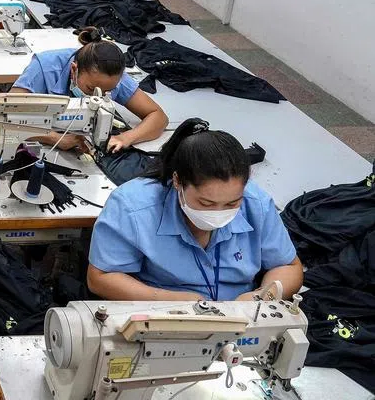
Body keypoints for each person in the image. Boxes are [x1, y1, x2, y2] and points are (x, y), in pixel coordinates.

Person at [88, 118, 303, 302]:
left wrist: (261, 298)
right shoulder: (132, 207)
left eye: (231, 204)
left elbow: (289, 267)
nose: (219, 213)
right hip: (160, 314)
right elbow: (100, 278)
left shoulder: (257, 204)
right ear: (177, 182)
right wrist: (176, 302)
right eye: (206, 204)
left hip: (242, 316)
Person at [11, 27, 169, 151]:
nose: (98, 96)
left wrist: (125, 138)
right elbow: (5, 116)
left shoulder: (112, 77)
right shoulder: (44, 67)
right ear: (74, 69)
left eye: (107, 92)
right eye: (90, 88)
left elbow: (158, 117)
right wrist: (54, 138)